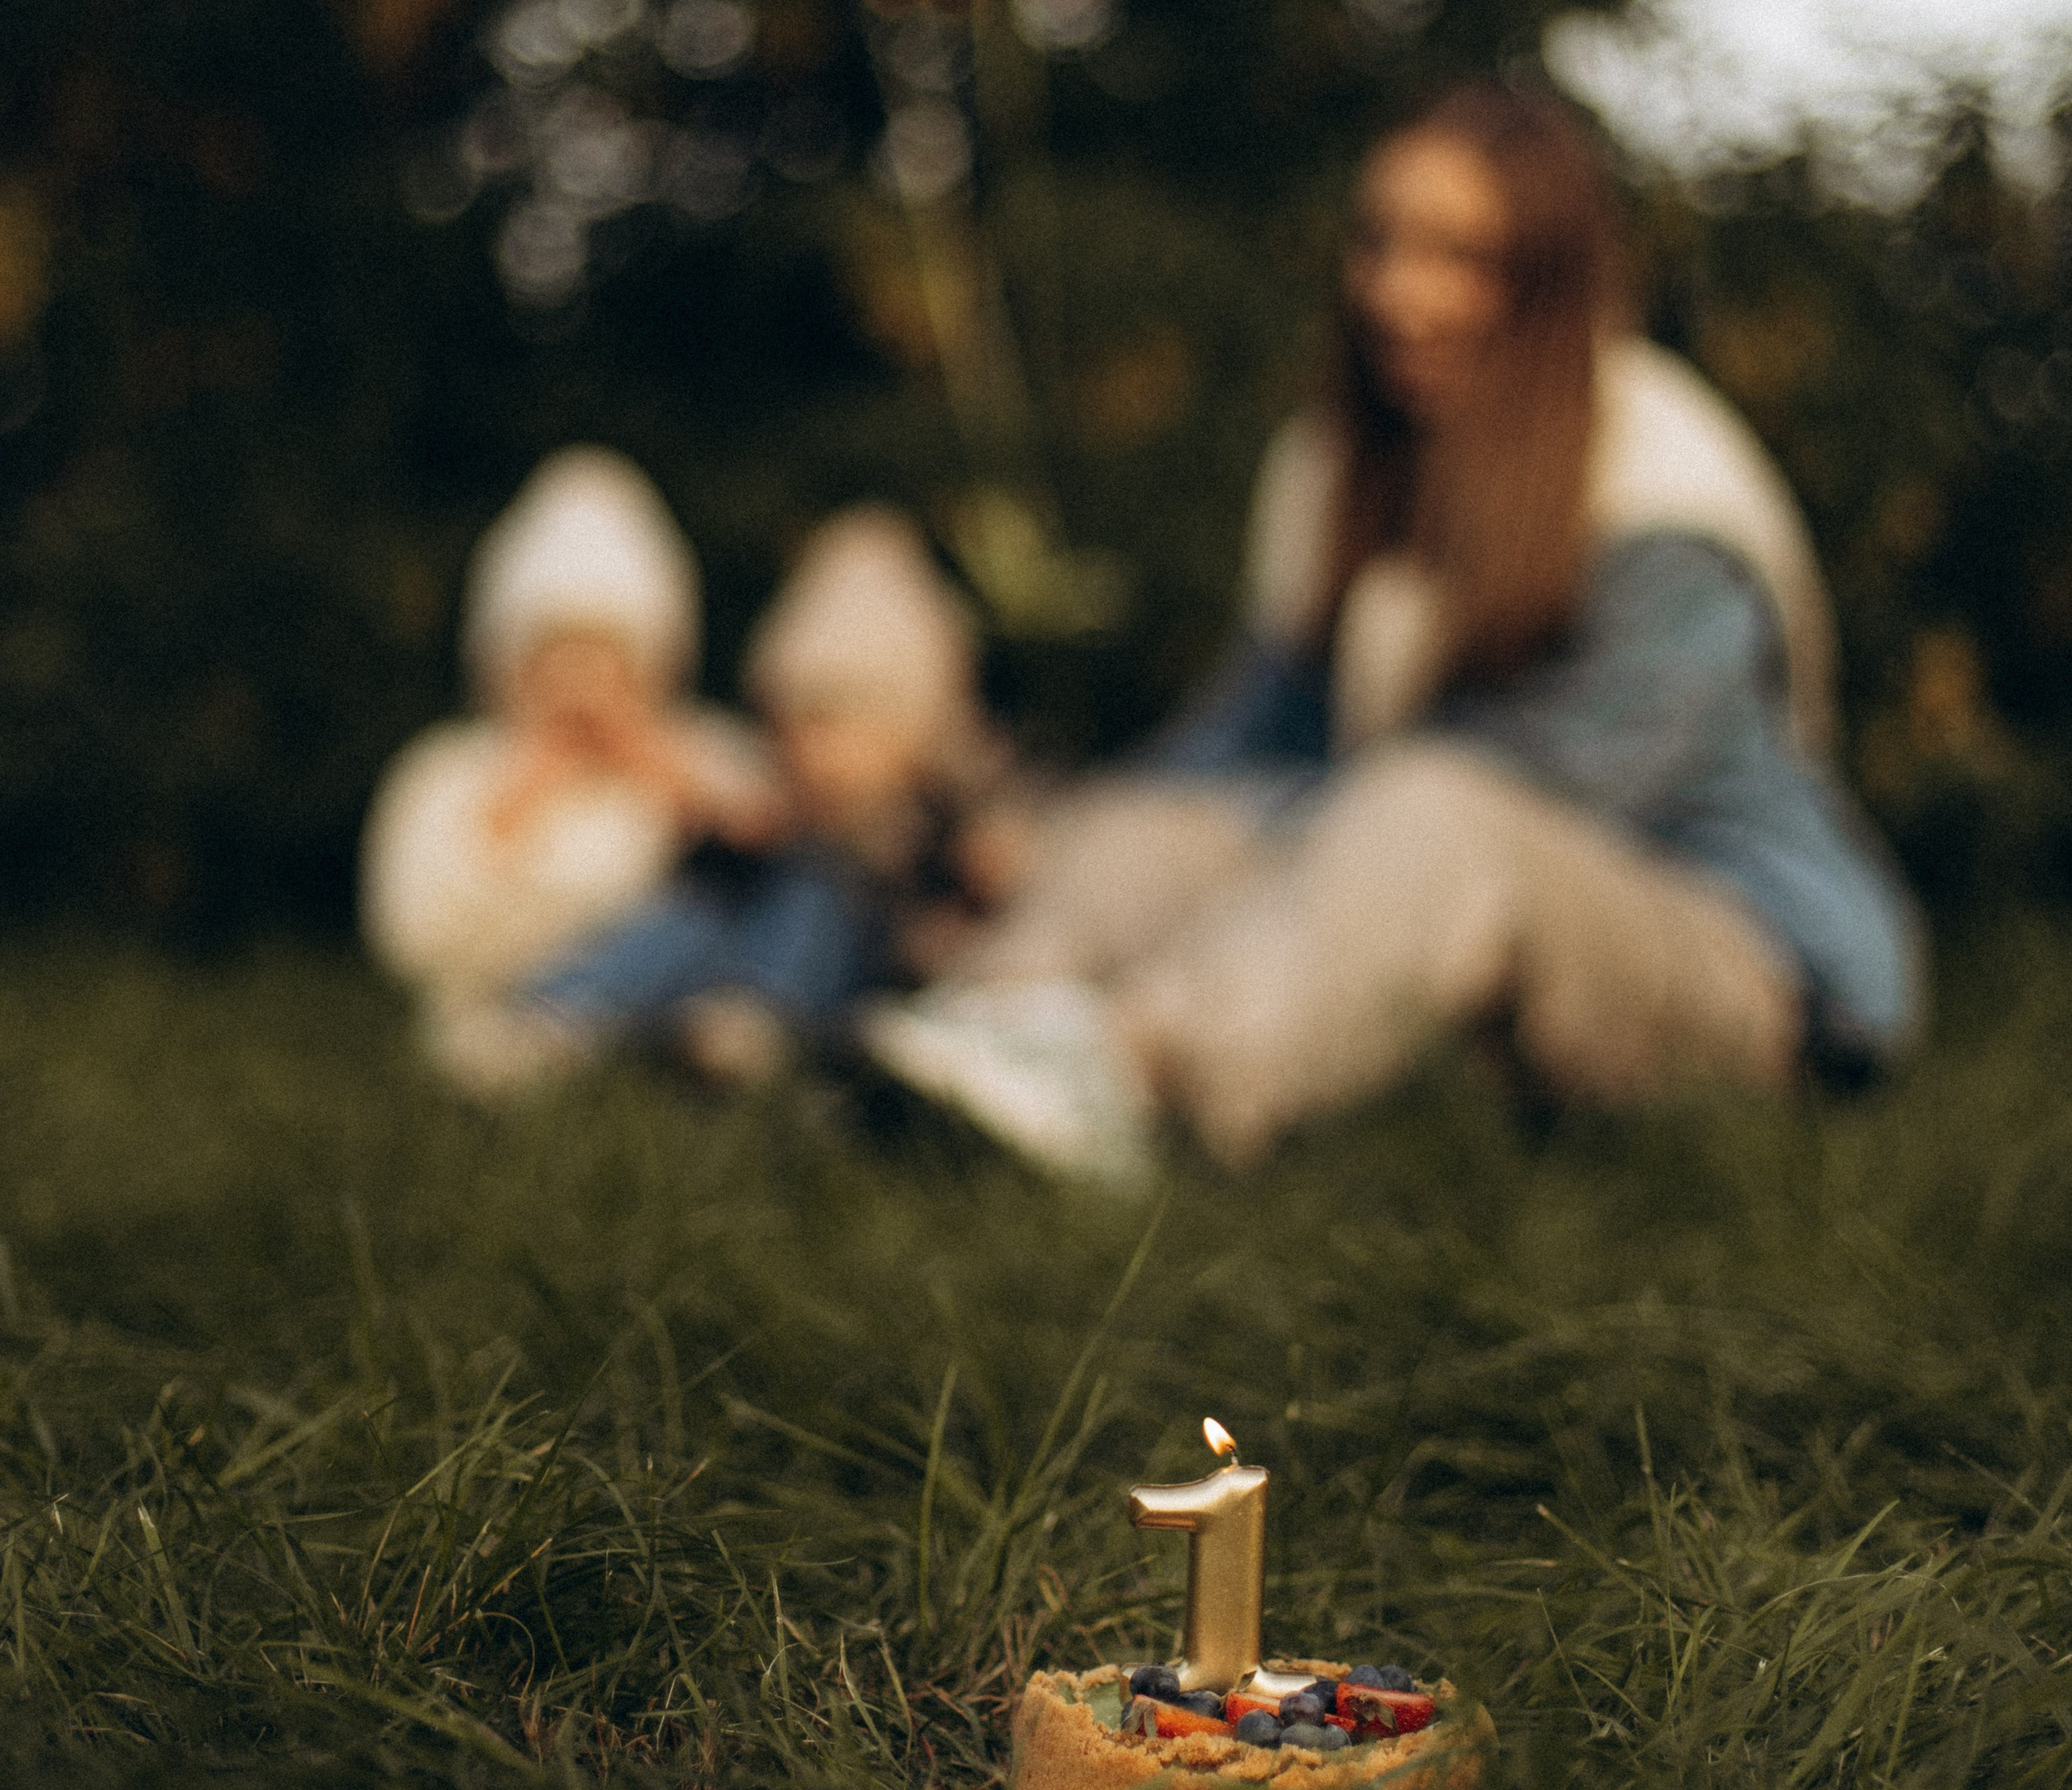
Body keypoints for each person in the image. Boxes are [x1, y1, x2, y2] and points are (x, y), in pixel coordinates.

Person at [859, 79, 1926, 1181]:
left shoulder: (1664, 483)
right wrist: (1055, 837)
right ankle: (970, 1048)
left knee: (1432, 811)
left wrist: (1226, 894)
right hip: (1461, 953)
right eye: (1379, 245)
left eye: (1461, 256)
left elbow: (1563, 778)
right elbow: (1247, 738)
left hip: (1740, 979)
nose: (1398, 294)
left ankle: (1129, 1072)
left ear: (1547, 284)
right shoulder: (1341, 471)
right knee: (1156, 829)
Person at [503, 504, 1036, 1079]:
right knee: (691, 916)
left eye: (847, 724)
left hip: (851, 987)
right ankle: (558, 1011)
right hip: (724, 959)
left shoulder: (931, 813)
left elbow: (956, 900)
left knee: (818, 893)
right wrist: (734, 831)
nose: (820, 750)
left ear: (912, 736)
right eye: (803, 724)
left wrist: (979, 867)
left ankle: (748, 1022)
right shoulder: (775, 794)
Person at [359, 448, 783, 1096]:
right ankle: (539, 1029)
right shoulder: (451, 773)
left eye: (607, 659)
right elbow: (412, 936)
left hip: (695, 984)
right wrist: (519, 802)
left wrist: (667, 777)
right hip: (513, 988)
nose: (582, 687)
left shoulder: (707, 750)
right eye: (558, 657)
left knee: (712, 920)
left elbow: (774, 861)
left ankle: (712, 1040)